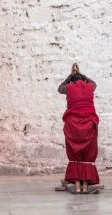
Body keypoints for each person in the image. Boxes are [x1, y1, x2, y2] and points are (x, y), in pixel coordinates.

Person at [58, 63, 99, 193]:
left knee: (74, 152)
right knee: (88, 152)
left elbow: (59, 89)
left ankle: (77, 185)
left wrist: (71, 76)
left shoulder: (69, 87)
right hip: (89, 123)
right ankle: (85, 186)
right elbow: (94, 83)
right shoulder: (90, 86)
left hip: (72, 123)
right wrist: (81, 75)